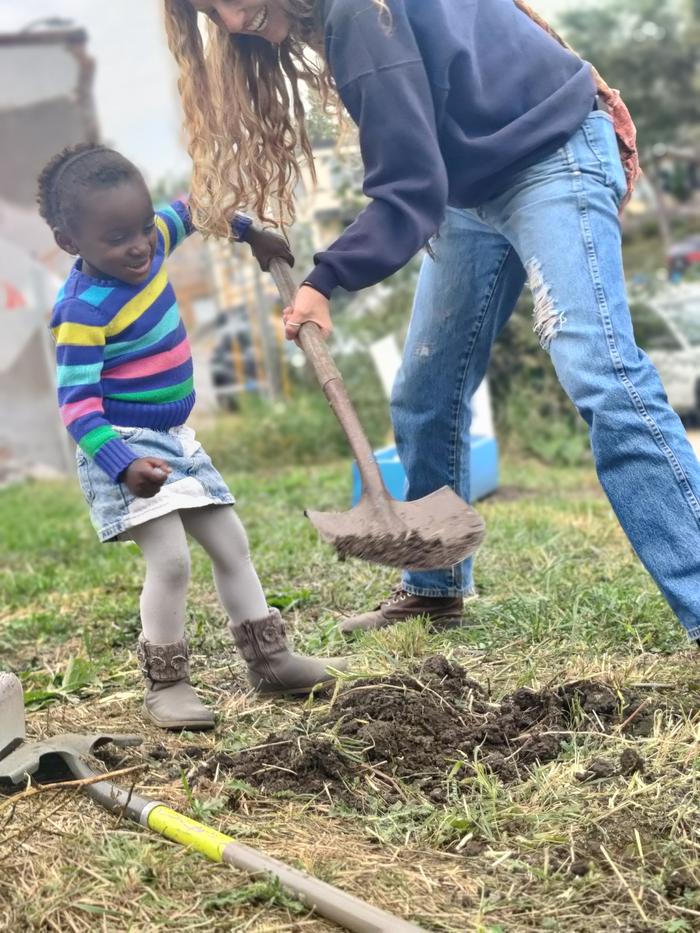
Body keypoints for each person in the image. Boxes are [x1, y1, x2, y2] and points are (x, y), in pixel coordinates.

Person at [163, 0, 700, 646]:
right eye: (207, 9)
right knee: (425, 393)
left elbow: (408, 191)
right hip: (471, 192)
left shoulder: (359, 13)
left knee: (601, 372)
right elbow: (423, 172)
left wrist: (323, 279)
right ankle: (435, 584)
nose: (228, 17)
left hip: (551, 153)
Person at [38, 143, 346, 731]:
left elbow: (200, 207)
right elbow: (76, 407)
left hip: (176, 437)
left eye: (142, 229)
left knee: (231, 542)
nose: (139, 246)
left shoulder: (150, 236)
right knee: (172, 561)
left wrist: (251, 233)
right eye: (117, 238)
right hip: (124, 444)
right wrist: (123, 464)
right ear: (70, 242)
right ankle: (168, 682)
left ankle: (270, 659)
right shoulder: (82, 310)